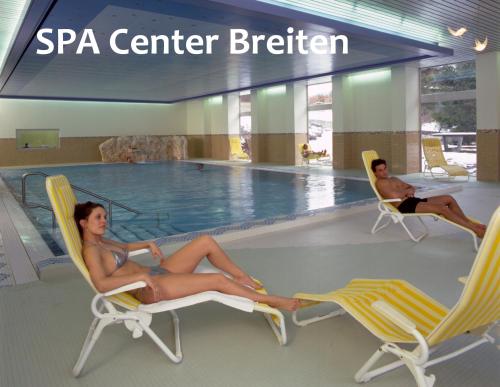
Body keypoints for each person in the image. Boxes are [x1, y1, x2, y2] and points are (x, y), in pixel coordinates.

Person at [74, 201, 299, 311]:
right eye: (98, 218)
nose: (104, 221)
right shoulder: (92, 251)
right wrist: (139, 279)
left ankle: (241, 277)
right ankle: (272, 301)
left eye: (104, 216)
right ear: (84, 223)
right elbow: (102, 284)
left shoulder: (102, 242)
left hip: (156, 274)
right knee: (217, 281)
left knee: (205, 242)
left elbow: (125, 247)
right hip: (151, 289)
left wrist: (147, 243)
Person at [371, 159, 486, 238]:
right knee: (442, 209)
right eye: (380, 170)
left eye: (384, 168)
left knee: (448, 198)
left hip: (412, 201)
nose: (384, 172)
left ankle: (469, 223)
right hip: (404, 206)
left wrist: (408, 190)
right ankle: (475, 229)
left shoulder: (394, 179)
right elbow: (394, 196)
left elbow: (410, 187)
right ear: (375, 173)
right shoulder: (380, 183)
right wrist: (407, 191)